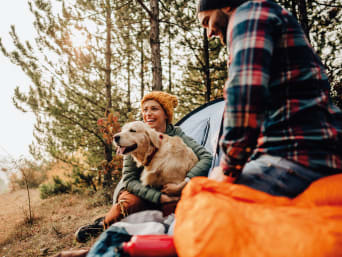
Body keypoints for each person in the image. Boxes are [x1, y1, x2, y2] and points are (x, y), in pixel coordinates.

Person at [197, 0, 342, 197]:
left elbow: (245, 94)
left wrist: (227, 169)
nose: (209, 33)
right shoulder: (268, 16)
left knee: (201, 203)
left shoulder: (248, 13)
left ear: (227, 5)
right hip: (314, 150)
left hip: (296, 155)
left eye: (207, 21)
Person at [74, 91, 213, 243]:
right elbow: (129, 180)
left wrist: (185, 182)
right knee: (131, 205)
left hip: (169, 188)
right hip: (138, 190)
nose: (148, 114)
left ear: (166, 114)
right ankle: (102, 225)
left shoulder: (177, 135)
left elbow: (207, 157)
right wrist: (158, 197)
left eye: (154, 109)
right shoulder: (133, 136)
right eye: (145, 110)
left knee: (178, 210)